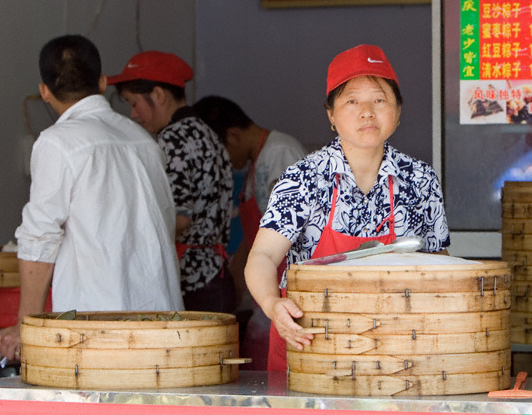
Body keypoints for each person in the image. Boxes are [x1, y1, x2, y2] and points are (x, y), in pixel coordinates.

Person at [244, 44, 450, 372]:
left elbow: (439, 265)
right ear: (331, 114)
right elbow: (263, 257)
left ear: (398, 111)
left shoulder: (419, 178)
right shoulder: (303, 178)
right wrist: (272, 305)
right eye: (352, 100)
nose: (367, 111)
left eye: (379, 99)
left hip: (395, 352)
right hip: (311, 345)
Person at [0, 35, 183, 361]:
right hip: (163, 322)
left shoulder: (57, 143)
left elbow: (39, 239)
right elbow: (165, 222)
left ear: (44, 91)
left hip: (97, 327)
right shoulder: (143, 141)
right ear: (102, 82)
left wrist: (27, 325)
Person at [108, 52, 235, 313]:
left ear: (158, 95)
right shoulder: (206, 132)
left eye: (134, 103)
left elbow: (179, 218)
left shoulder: (172, 139)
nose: (133, 114)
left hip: (192, 281)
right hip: (216, 276)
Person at [194, 95, 306, 369]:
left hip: (287, 290)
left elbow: (289, 233)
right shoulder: (256, 161)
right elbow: (254, 236)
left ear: (232, 135)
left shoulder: (280, 153)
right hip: (266, 292)